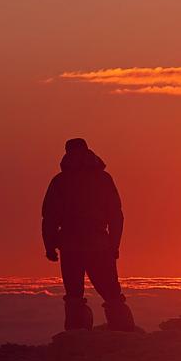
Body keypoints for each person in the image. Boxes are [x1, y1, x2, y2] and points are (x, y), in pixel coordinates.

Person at [42, 138, 135, 331]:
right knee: (109, 293)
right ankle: (122, 331)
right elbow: (116, 215)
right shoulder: (102, 179)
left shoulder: (60, 181)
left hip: (74, 245)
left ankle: (79, 333)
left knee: (76, 295)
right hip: (96, 244)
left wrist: (50, 245)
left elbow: (50, 217)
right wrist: (113, 244)